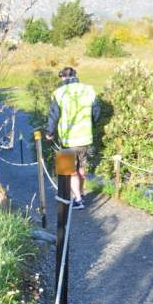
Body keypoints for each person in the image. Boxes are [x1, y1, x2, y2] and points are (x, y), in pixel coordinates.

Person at [45, 67, 101, 210]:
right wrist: (91, 125)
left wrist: (49, 133)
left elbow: (53, 115)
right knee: (81, 167)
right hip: (86, 137)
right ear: (76, 76)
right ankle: (80, 193)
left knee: (69, 171)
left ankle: (77, 199)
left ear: (63, 78)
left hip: (68, 139)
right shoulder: (88, 90)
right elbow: (96, 112)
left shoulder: (59, 93)